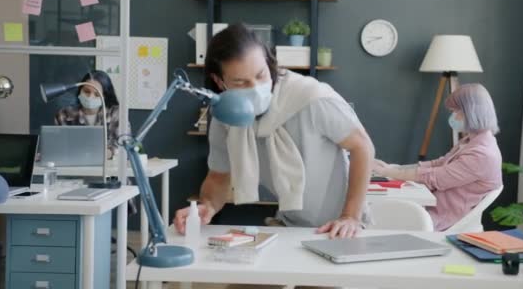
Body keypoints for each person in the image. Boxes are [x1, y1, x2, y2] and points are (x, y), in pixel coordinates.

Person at [174, 23, 375, 238]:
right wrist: (207, 207)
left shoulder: (312, 97)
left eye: (261, 75)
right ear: (219, 82)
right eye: (240, 82)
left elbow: (362, 146)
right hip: (290, 226)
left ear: (269, 64)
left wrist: (350, 216)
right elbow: (219, 176)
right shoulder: (226, 115)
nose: (254, 87)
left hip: (341, 225)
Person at [373, 83, 502, 231]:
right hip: (433, 208)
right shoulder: (471, 140)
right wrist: (396, 168)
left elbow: (434, 178)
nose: (453, 116)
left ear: (470, 112)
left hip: (443, 219)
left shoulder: (482, 154)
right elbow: (440, 163)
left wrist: (388, 173)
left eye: (456, 111)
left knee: (373, 217)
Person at [54, 70, 122, 159]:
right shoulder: (64, 115)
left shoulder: (116, 113)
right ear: (80, 91)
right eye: (86, 91)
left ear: (105, 96)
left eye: (97, 94)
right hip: (73, 168)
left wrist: (107, 153)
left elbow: (123, 145)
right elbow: (58, 148)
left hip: (107, 169)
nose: (90, 97)